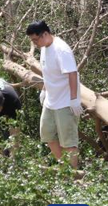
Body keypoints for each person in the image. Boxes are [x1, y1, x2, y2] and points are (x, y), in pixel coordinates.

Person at [26, 20, 82, 168]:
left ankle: (73, 174)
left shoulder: (61, 49)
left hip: (65, 102)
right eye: (32, 41)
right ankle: (64, 168)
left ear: (45, 34)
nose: (35, 43)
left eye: (35, 39)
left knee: (68, 141)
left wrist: (74, 99)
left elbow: (72, 74)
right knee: (48, 135)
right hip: (51, 101)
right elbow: (48, 73)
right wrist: (44, 90)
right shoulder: (45, 47)